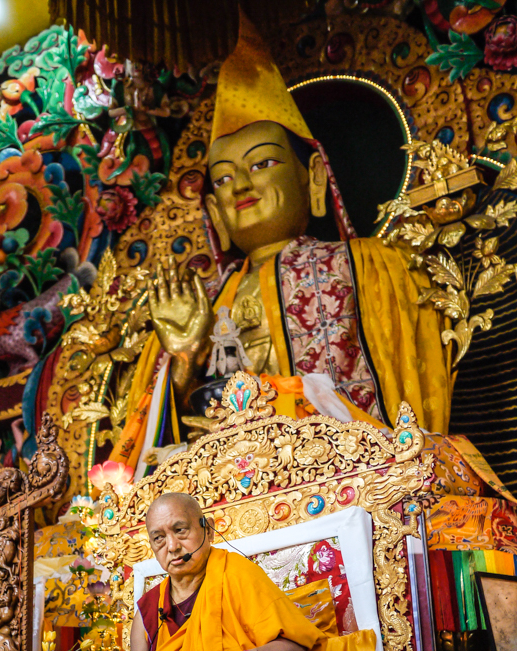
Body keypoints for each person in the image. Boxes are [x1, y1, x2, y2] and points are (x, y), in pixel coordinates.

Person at [112, 12, 451, 474]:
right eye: (224, 178)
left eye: (262, 164)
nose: (239, 186)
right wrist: (186, 361)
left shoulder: (370, 267)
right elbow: (149, 456)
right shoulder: (203, 303)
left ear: (313, 179)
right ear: (214, 214)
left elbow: (411, 396)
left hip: (342, 482)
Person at [124, 493, 376, 651]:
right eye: (159, 538)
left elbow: (298, 646)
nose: (172, 546)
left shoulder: (237, 574)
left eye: (180, 531)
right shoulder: (147, 611)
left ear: (208, 530)